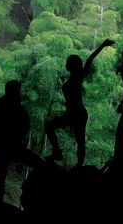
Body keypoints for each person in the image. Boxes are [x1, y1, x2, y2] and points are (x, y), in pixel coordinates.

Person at [45, 38, 115, 166]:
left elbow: (90, 59)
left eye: (68, 62)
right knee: (76, 138)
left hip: (77, 113)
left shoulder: (77, 77)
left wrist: (102, 45)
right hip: (74, 113)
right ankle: (68, 159)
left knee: (79, 140)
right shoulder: (73, 78)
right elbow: (89, 59)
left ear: (71, 65)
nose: (66, 63)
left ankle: (70, 160)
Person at [0, 80, 44, 203]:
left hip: (2, 146)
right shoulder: (13, 106)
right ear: (15, 91)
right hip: (11, 145)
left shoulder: (0, 105)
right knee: (39, 164)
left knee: (0, 176)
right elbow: (25, 127)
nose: (19, 93)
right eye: (18, 90)